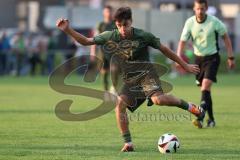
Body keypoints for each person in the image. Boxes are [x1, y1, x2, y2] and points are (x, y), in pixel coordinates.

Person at [56, 7, 205, 152]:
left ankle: (193, 108)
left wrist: (184, 65)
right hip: (130, 79)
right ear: (116, 24)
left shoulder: (143, 36)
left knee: (159, 100)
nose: (122, 29)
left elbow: (165, 50)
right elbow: (86, 41)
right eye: (119, 26)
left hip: (147, 74)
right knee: (119, 104)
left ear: (131, 22)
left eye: (125, 25)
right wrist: (67, 30)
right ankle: (128, 143)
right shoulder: (110, 35)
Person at [177, 0, 235, 128]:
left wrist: (231, 57)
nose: (200, 11)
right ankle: (211, 120)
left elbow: (226, 37)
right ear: (194, 8)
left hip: (212, 58)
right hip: (198, 60)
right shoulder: (190, 23)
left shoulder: (214, 22)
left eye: (202, 9)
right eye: (198, 9)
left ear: (206, 8)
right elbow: (182, 42)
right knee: (205, 92)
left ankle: (199, 113)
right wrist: (179, 59)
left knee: (205, 86)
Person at [90, 5, 118, 100]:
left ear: (113, 13)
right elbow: (94, 39)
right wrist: (93, 52)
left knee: (114, 71)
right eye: (107, 11)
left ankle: (114, 89)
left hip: (114, 52)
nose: (109, 13)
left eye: (110, 11)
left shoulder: (116, 24)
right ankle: (106, 92)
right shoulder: (100, 25)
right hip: (102, 52)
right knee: (104, 72)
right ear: (104, 13)